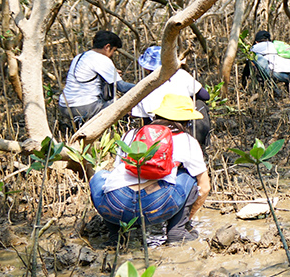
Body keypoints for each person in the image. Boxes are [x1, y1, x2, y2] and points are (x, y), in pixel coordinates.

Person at [89, 94, 211, 243]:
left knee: (101, 175)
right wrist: (187, 217)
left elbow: (118, 170)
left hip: (116, 205)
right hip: (157, 207)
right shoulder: (187, 141)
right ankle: (177, 230)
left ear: (157, 115)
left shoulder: (132, 134)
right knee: (189, 176)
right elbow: (204, 187)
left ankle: (117, 235)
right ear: (186, 121)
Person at [133, 46, 212, 150]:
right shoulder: (180, 75)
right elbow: (205, 96)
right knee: (200, 103)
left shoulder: (141, 86)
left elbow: (144, 119)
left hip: (157, 133)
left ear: (145, 68)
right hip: (184, 126)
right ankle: (203, 145)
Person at [59, 30, 134, 127]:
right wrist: (147, 87)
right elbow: (122, 87)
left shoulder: (80, 56)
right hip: (84, 106)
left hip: (65, 106)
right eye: (114, 50)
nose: (112, 55)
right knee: (122, 105)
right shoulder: (101, 59)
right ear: (107, 47)